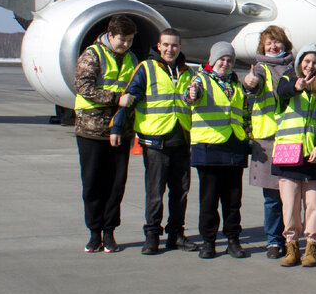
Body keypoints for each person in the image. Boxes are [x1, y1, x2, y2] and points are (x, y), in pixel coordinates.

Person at [111, 27, 199, 254]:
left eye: (175, 45)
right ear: (158, 46)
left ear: (180, 48)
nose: (170, 49)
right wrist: (118, 127)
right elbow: (129, 98)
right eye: (166, 45)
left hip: (181, 139)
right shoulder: (146, 68)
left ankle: (176, 234)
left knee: (180, 192)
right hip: (156, 141)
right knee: (155, 192)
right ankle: (152, 235)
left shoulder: (187, 72)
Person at [74, 15, 138, 254]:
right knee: (92, 184)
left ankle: (109, 232)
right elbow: (83, 87)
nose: (126, 44)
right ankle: (93, 233)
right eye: (122, 39)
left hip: (120, 131)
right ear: (110, 35)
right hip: (92, 130)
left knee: (116, 185)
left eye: (130, 40)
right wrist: (115, 99)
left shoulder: (131, 58)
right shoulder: (92, 55)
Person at [185, 41, 251, 259]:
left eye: (229, 60)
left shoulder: (236, 82)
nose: (225, 63)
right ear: (213, 61)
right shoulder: (201, 79)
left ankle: (233, 239)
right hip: (210, 147)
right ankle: (208, 241)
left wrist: (248, 136)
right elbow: (190, 96)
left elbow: (243, 111)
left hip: (233, 145)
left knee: (233, 200)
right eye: (221, 59)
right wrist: (192, 94)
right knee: (209, 199)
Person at [241, 25, 297, 260]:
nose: (273, 47)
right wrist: (250, 82)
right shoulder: (261, 68)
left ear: (285, 45)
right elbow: (251, 86)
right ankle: (273, 241)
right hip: (267, 139)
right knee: (272, 197)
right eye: (268, 43)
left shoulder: (293, 69)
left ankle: (290, 240)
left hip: (289, 138)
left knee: (291, 196)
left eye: (277, 43)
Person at [273, 44, 316, 267]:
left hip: (312, 157)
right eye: (306, 61)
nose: (310, 66)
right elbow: (283, 93)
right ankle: (291, 246)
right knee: (291, 205)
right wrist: (297, 86)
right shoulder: (287, 82)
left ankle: (311, 247)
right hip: (289, 155)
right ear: (298, 64)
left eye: (314, 62)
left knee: (313, 204)